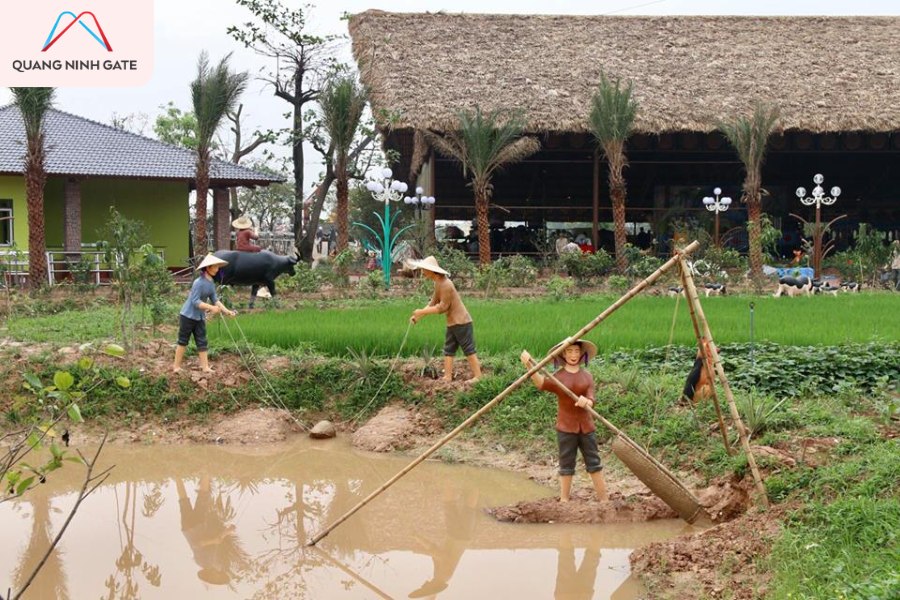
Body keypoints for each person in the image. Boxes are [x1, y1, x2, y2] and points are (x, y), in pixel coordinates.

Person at [520, 340, 608, 502]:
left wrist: (587, 402)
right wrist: (529, 366)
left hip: (586, 426)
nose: (573, 355)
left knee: (594, 461)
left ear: (581, 354)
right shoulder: (558, 377)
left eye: (576, 351)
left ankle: (604, 499)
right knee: (566, 463)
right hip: (566, 427)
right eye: (569, 351)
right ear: (563, 354)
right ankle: (564, 499)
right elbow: (541, 383)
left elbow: (591, 397)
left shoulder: (587, 376)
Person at [409, 255, 482, 383]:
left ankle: (478, 376)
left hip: (461, 322)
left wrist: (422, 311)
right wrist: (418, 316)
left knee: (468, 349)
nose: (423, 272)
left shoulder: (446, 284)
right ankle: (447, 376)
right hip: (452, 323)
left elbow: (442, 307)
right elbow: (432, 303)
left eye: (424, 270)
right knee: (449, 349)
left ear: (432, 271)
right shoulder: (438, 283)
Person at [173, 254, 236, 374]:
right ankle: (176, 367)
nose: (217, 269)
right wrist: (211, 308)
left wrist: (227, 311)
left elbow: (215, 300)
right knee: (183, 340)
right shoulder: (198, 282)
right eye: (215, 267)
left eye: (218, 267)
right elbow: (195, 301)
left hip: (199, 317)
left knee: (202, 341)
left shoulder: (211, 283)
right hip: (188, 316)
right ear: (208, 268)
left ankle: (205, 367)